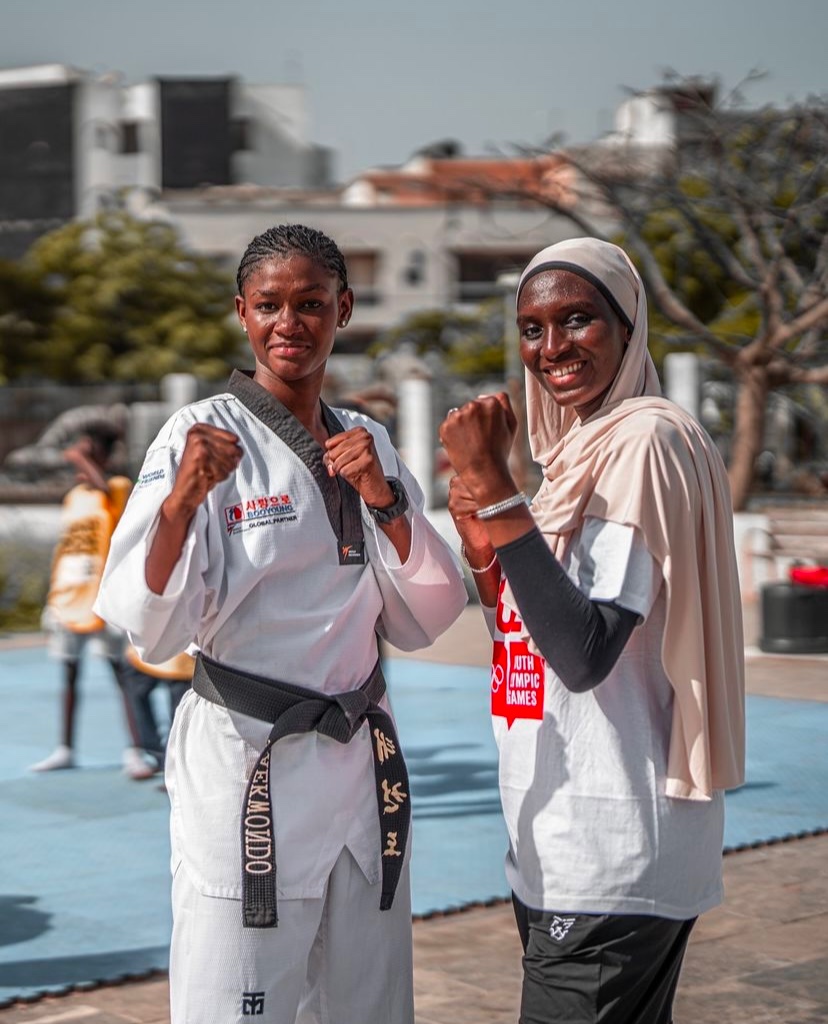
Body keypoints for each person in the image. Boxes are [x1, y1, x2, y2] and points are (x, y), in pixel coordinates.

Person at [94, 223, 467, 1024]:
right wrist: (181, 502)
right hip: (245, 761)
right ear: (241, 312)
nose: (289, 323)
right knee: (240, 997)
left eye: (310, 304)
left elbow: (428, 614)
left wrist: (387, 501)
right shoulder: (202, 436)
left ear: (345, 309)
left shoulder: (368, 440)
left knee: (367, 999)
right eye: (270, 305)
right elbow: (148, 629)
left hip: (360, 757)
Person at [438, 237, 745, 1024]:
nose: (553, 348)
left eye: (579, 320)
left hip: (609, 841)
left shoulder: (640, 443)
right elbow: (533, 635)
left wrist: (501, 492)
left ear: (628, 324)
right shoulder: (581, 452)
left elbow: (583, 652)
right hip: (563, 838)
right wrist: (486, 549)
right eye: (533, 329)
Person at [30, 424, 155, 780]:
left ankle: (136, 750)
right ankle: (65, 748)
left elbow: (103, 487)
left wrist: (80, 456)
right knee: (70, 674)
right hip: (69, 600)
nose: (78, 460)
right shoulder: (74, 497)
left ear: (101, 454)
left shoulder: (116, 487)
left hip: (103, 601)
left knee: (122, 676)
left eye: (87, 451)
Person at [120, 646, 194, 774]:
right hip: (147, 648)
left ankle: (176, 762)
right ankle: (151, 752)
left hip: (183, 653)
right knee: (133, 678)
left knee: (181, 703)